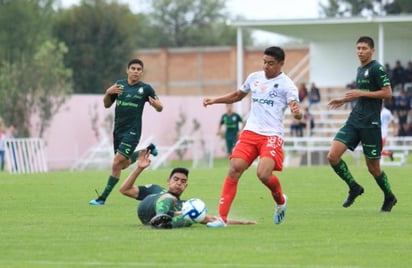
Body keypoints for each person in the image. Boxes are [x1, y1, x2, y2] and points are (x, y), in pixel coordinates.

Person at [202, 46, 303, 227]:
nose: (266, 66)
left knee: (263, 174)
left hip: (271, 135)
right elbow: (237, 95)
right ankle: (222, 219)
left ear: (281, 64)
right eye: (264, 62)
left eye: (270, 63)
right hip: (250, 131)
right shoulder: (254, 78)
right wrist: (215, 100)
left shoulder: (287, 85)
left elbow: (296, 109)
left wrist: (297, 113)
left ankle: (280, 201)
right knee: (234, 168)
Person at [327, 36, 397, 212]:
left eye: (364, 48)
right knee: (332, 156)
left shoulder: (377, 68)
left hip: (370, 123)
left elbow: (387, 93)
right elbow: (360, 94)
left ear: (372, 50)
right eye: (358, 48)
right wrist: (343, 100)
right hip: (354, 120)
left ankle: (389, 196)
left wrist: (361, 93)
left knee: (373, 168)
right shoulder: (360, 69)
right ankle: (354, 187)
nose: (360, 51)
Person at [89, 58, 164, 206]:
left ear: (141, 72)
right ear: (127, 70)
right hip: (118, 131)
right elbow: (106, 105)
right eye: (133, 68)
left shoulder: (145, 89)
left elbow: (160, 107)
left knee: (116, 161)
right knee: (122, 165)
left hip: (133, 131)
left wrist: (156, 105)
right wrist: (107, 93)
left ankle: (102, 198)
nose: (136, 71)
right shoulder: (120, 85)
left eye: (138, 69)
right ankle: (148, 149)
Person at [119, 149, 256, 228]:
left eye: (183, 181)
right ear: (168, 181)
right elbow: (124, 190)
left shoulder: (185, 205)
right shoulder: (155, 189)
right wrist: (139, 169)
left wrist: (242, 222)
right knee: (171, 199)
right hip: (145, 210)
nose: (179, 183)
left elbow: (209, 219)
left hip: (151, 221)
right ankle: (161, 218)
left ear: (186, 186)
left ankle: (164, 224)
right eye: (176, 179)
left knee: (192, 216)